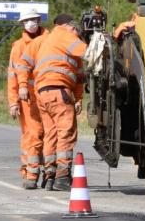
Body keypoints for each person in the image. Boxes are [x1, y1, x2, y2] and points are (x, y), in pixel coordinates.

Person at [17, 13, 87, 191]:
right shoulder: (66, 35)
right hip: (58, 90)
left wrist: (23, 86)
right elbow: (88, 52)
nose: (76, 36)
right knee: (66, 132)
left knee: (51, 134)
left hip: (42, 94)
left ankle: (50, 176)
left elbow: (79, 78)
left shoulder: (43, 42)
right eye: (76, 33)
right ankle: (62, 177)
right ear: (71, 27)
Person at [7, 11, 45, 188]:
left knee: (49, 135)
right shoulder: (19, 46)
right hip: (28, 98)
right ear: (22, 24)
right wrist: (13, 102)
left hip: (47, 96)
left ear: (39, 21)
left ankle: (48, 172)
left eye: (34, 20)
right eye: (27, 20)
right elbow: (12, 76)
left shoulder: (49, 41)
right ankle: (29, 171)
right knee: (32, 135)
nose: (31, 23)